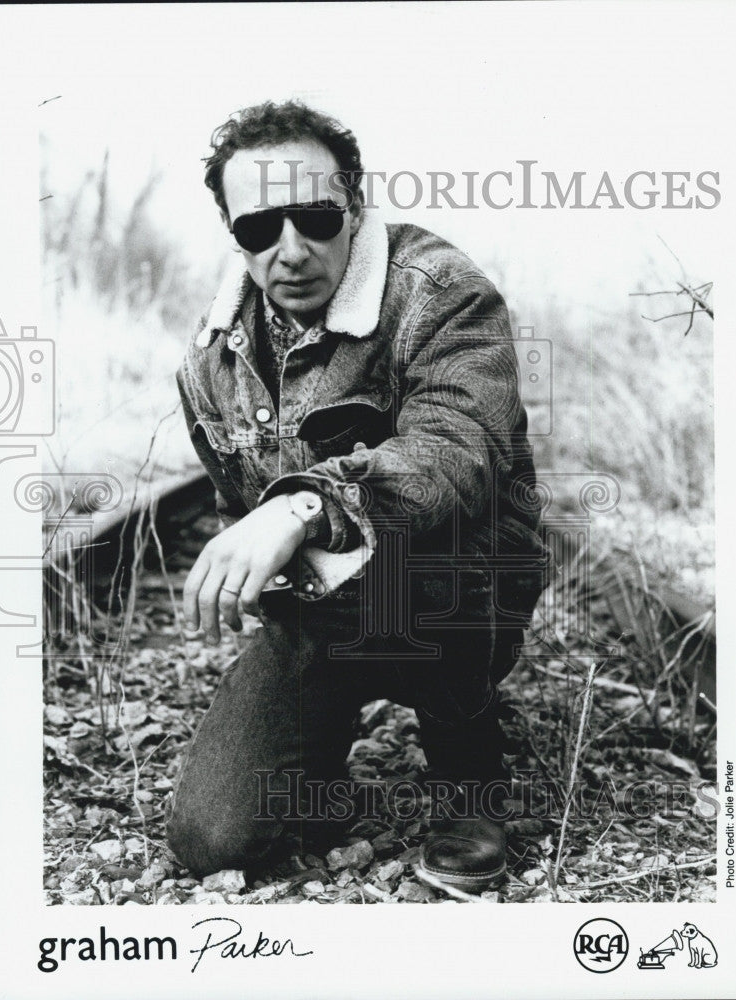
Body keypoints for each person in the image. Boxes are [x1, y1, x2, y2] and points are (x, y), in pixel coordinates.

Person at [167, 100, 551, 891]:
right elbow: (237, 506)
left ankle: (468, 766)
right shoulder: (209, 365)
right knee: (214, 838)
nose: (291, 249)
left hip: (456, 590)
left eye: (315, 216)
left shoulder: (443, 294)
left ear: (356, 203)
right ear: (233, 235)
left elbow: (456, 451)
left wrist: (304, 503)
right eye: (258, 229)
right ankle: (324, 728)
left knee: (439, 572)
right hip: (324, 608)